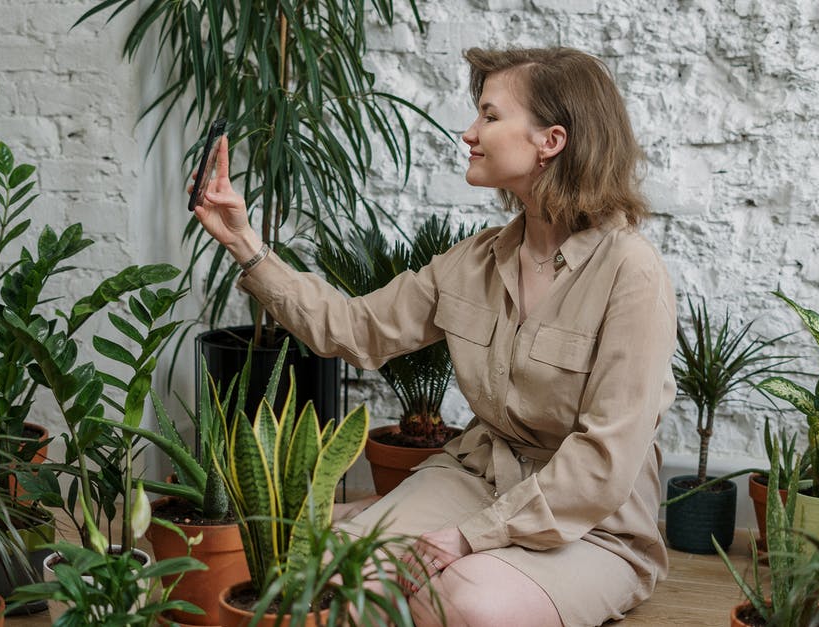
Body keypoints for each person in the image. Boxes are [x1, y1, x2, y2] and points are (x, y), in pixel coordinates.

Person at [192, 47, 676, 627]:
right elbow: (355, 331)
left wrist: (471, 538)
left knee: (466, 603)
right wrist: (245, 240)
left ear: (551, 141)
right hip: (476, 478)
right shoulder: (474, 260)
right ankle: (372, 519)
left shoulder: (631, 271)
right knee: (328, 569)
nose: (470, 133)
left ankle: (386, 519)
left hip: (592, 522)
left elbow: (604, 462)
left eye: (490, 117)